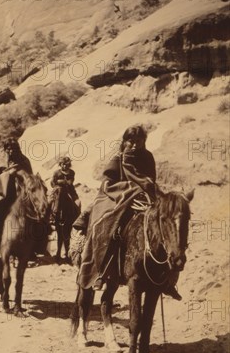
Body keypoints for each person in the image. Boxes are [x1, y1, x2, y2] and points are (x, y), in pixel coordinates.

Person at [75, 124, 181, 300]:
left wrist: (145, 187)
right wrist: (131, 186)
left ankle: (167, 279)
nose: (134, 145)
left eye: (138, 141)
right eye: (130, 141)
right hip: (117, 195)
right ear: (124, 140)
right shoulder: (118, 157)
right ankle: (102, 270)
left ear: (143, 142)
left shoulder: (147, 157)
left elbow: (150, 179)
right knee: (111, 226)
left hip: (143, 196)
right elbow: (107, 183)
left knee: (167, 226)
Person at [0, 138, 32, 246]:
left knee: (37, 213)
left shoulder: (24, 161)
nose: (11, 151)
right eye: (8, 149)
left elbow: (31, 177)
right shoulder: (2, 160)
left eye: (13, 149)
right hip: (5, 194)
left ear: (17, 149)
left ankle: (37, 246)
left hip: (22, 194)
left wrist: (23, 177)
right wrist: (7, 174)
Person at [49, 156, 80, 263]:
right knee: (50, 202)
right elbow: (52, 183)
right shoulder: (56, 172)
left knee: (78, 203)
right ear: (60, 164)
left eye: (67, 164)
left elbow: (70, 183)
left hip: (70, 192)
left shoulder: (72, 172)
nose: (65, 166)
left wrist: (64, 182)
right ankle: (51, 216)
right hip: (58, 191)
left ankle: (77, 218)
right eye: (63, 164)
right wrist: (59, 183)